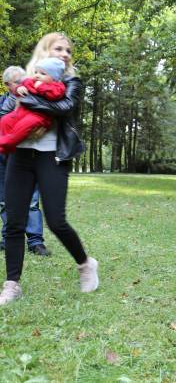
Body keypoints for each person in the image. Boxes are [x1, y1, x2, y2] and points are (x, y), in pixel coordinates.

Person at [0, 32, 98, 306]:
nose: (65, 54)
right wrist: (27, 97)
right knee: (14, 221)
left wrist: (28, 98)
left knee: (56, 221)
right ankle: (12, 284)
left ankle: (85, 264)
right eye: (59, 48)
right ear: (45, 49)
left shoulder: (72, 81)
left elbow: (66, 107)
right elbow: (10, 108)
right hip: (20, 156)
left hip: (51, 156)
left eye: (68, 50)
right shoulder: (31, 76)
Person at [0, 66, 49, 256]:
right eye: (18, 83)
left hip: (27, 157)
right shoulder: (3, 103)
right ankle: (8, 238)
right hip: (4, 158)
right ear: (7, 85)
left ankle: (36, 242)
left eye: (24, 81)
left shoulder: (35, 100)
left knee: (32, 202)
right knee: (4, 201)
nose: (23, 85)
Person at [0, 58, 67, 154]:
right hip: (23, 111)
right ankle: (7, 146)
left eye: (42, 74)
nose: (37, 75)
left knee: (22, 126)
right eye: (36, 72)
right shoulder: (31, 82)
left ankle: (5, 143)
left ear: (54, 77)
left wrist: (41, 87)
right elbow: (24, 85)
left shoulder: (57, 86)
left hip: (39, 116)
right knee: (5, 120)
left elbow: (55, 94)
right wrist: (20, 88)